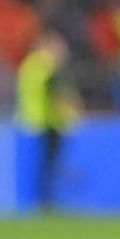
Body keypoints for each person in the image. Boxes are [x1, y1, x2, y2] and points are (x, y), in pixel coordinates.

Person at [16, 30, 81, 210]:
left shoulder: (29, 65)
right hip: (49, 122)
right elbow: (57, 95)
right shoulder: (48, 68)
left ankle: (42, 199)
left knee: (42, 164)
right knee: (50, 164)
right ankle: (46, 201)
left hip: (31, 121)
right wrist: (69, 114)